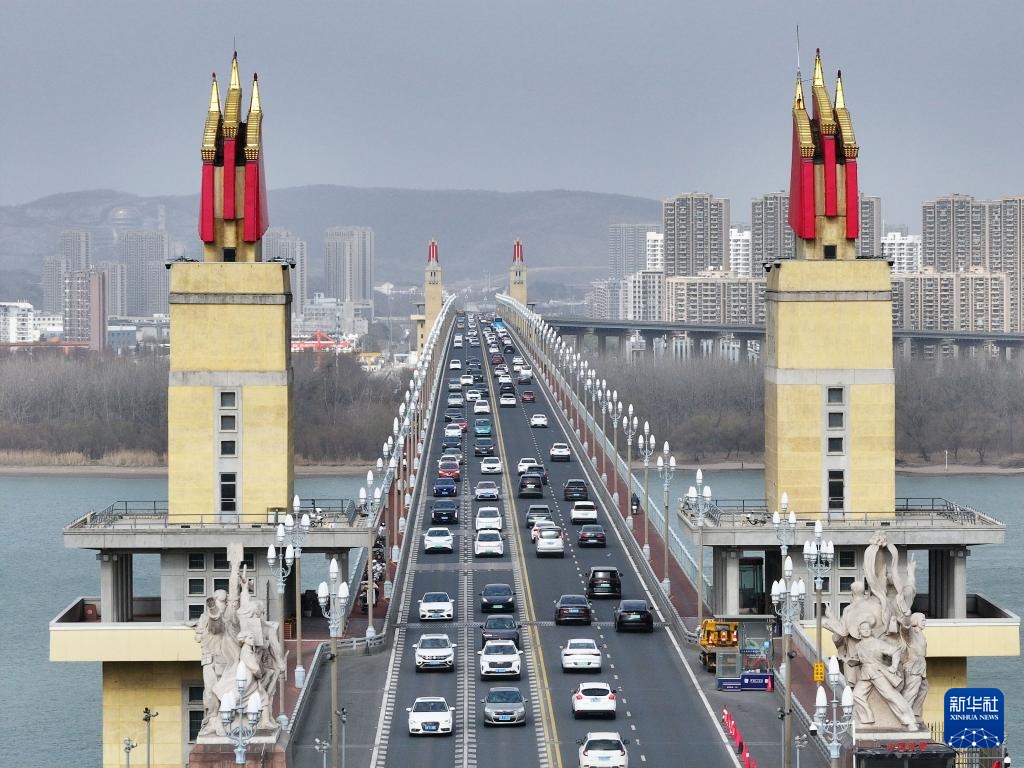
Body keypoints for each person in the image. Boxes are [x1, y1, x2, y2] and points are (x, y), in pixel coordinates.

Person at [848, 619, 918, 729]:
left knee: (891, 696)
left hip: (878, 673)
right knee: (857, 694)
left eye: (868, 628)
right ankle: (866, 719)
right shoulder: (859, 646)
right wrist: (852, 662)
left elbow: (895, 651)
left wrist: (894, 666)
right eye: (863, 629)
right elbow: (861, 660)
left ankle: (910, 721)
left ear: (871, 630)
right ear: (859, 632)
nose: (866, 630)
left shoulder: (877, 643)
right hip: (865, 674)